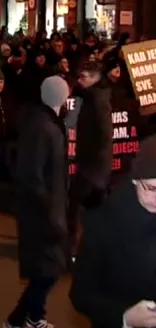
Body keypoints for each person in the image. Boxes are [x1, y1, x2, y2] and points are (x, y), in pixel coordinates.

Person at [69, 134, 156, 328]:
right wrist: (125, 318)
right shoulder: (104, 221)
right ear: (135, 181)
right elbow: (80, 294)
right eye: (152, 189)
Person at [4, 76, 71, 328]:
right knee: (50, 269)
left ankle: (26, 318)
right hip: (43, 213)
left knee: (46, 269)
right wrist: (50, 212)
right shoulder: (45, 128)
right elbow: (33, 175)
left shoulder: (43, 123)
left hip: (44, 210)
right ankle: (24, 319)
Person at [67, 60, 113, 252]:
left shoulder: (97, 99)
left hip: (93, 166)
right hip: (93, 164)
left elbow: (104, 133)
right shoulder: (92, 95)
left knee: (78, 207)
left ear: (95, 78)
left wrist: (92, 159)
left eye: (84, 77)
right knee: (92, 208)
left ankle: (77, 249)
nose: (80, 80)